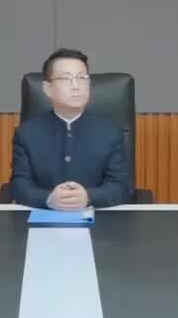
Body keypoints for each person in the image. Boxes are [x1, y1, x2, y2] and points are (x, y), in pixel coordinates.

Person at [9, 49, 131, 210]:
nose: (76, 86)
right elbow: (19, 185)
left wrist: (89, 197)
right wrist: (48, 199)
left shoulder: (110, 132)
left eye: (82, 78)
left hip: (98, 219)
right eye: (66, 78)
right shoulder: (27, 133)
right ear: (47, 88)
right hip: (42, 219)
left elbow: (121, 187)